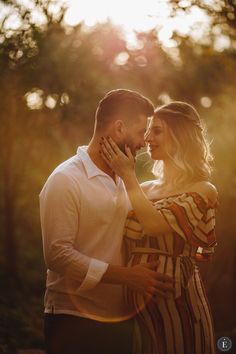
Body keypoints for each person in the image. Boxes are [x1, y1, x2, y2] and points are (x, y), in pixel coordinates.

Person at [39, 89, 174, 354]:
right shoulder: (66, 179)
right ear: (119, 127)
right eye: (139, 132)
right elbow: (56, 255)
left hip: (120, 320)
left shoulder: (125, 176)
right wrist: (127, 276)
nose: (143, 142)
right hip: (74, 322)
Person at [101, 101, 218, 354]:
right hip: (140, 315)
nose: (147, 138)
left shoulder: (202, 189)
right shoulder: (144, 190)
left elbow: (154, 225)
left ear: (181, 136)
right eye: (148, 131)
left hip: (181, 309)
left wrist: (128, 176)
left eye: (157, 131)